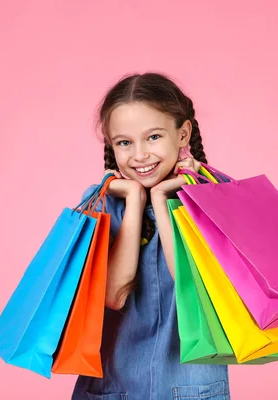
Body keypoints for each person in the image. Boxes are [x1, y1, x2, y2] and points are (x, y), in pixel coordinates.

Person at [71, 72, 230, 400]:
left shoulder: (216, 198)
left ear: (182, 132)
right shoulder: (102, 204)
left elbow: (201, 294)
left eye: (153, 137)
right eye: (125, 143)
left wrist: (161, 199)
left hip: (190, 386)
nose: (140, 155)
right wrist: (134, 201)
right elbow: (114, 296)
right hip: (114, 386)